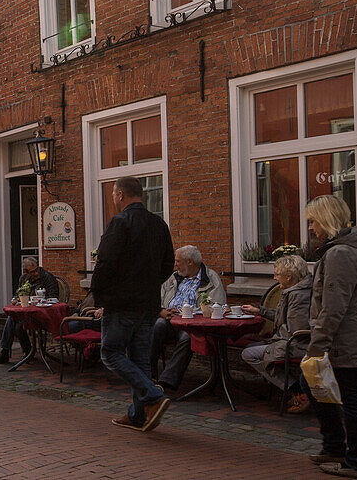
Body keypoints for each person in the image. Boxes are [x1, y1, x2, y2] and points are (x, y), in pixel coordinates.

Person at [92, 176, 174, 432]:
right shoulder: (158, 223)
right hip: (148, 304)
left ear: (120, 195)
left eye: (114, 195)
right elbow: (168, 264)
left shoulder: (119, 222)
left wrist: (102, 296)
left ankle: (152, 396)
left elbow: (105, 264)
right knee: (140, 361)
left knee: (111, 353)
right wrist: (150, 284)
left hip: (122, 303)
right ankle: (138, 415)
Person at [301, 195, 357, 479]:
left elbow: (333, 307)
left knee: (352, 399)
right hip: (347, 339)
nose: (310, 227)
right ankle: (334, 447)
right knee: (311, 386)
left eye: (313, 220)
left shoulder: (341, 253)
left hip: (344, 341)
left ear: (327, 220)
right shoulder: (348, 250)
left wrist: (317, 347)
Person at [239, 254, 312, 413]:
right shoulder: (294, 290)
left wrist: (275, 339)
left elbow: (297, 329)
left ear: (289, 276)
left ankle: (296, 389)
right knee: (253, 346)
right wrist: (259, 311)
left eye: (277, 274)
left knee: (248, 353)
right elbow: (284, 318)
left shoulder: (298, 295)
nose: (274, 277)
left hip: (296, 344)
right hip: (287, 341)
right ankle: (293, 388)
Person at [150, 245, 226, 391]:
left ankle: (165, 382)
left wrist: (191, 315)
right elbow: (156, 298)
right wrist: (161, 311)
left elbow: (217, 306)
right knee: (157, 325)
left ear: (190, 262)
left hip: (193, 325)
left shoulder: (211, 279)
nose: (175, 265)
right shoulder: (172, 278)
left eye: (178, 261)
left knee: (187, 337)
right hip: (170, 320)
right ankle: (148, 375)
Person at [0, 257, 61, 364]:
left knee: (18, 326)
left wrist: (37, 300)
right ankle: (13, 352)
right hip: (27, 313)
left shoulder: (47, 278)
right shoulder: (24, 279)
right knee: (12, 318)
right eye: (32, 272)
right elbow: (18, 294)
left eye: (37, 270)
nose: (36, 274)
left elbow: (53, 296)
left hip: (42, 314)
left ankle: (17, 352)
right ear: (26, 272)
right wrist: (15, 299)